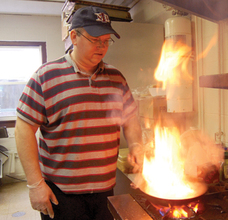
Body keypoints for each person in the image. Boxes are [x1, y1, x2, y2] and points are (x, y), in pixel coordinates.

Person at [15, 6, 143, 220]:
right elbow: (23, 129)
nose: (102, 46)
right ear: (74, 36)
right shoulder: (45, 77)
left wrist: (137, 144)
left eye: (106, 40)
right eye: (95, 40)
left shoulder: (116, 78)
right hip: (62, 196)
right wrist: (35, 184)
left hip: (106, 192)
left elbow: (130, 119)